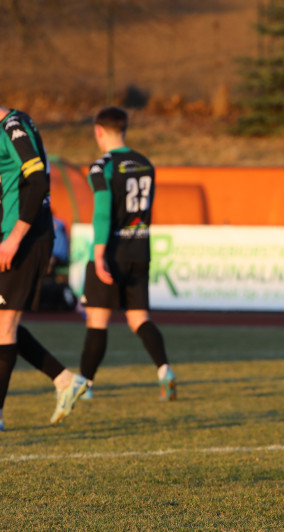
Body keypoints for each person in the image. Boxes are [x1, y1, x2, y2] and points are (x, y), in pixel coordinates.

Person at [79, 106, 176, 401]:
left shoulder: (102, 166)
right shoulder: (146, 163)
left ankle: (85, 386)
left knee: (97, 320)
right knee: (138, 319)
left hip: (113, 251)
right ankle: (165, 371)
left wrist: (98, 255)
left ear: (98, 131)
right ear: (124, 128)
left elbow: (103, 213)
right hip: (140, 249)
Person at [0, 106, 89, 431]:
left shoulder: (13, 126)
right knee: (3, 324)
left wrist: (14, 238)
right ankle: (65, 379)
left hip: (24, 237)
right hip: (14, 236)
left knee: (5, 326)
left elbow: (38, 182)